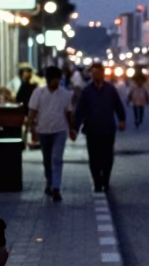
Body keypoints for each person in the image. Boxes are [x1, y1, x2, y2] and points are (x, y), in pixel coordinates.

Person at [74, 61, 126, 192]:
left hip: (108, 129)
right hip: (92, 130)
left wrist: (122, 119)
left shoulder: (110, 89)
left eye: (98, 73)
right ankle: (97, 182)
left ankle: (106, 180)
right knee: (94, 158)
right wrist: (75, 127)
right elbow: (79, 110)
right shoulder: (86, 91)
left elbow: (118, 106)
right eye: (93, 73)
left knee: (108, 157)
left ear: (103, 73)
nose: (96, 75)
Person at [27, 65, 77, 201]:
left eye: (58, 79)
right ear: (48, 79)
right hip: (43, 130)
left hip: (60, 130)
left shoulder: (65, 94)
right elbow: (32, 112)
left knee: (57, 159)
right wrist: (31, 129)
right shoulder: (38, 93)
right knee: (47, 159)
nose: (57, 82)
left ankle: (56, 187)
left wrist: (72, 129)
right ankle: (49, 182)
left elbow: (69, 113)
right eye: (54, 79)